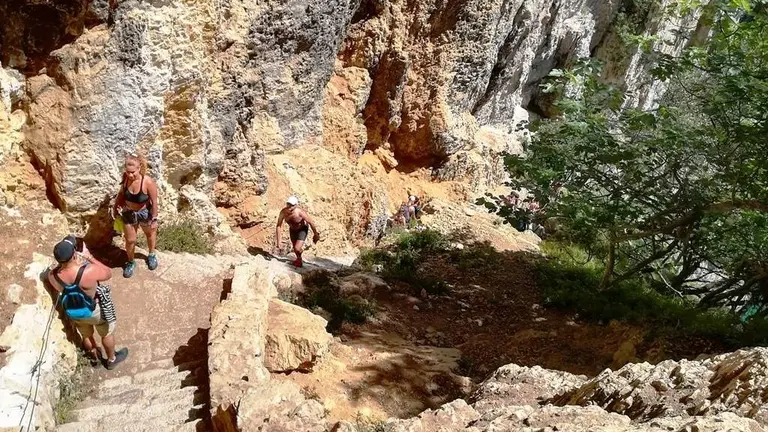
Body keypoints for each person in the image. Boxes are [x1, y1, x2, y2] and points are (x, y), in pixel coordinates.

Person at [48, 235, 128, 370]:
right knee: (106, 333)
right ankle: (111, 359)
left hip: (75, 311)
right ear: (74, 254)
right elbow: (108, 273)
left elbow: (62, 280)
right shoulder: (88, 271)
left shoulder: (52, 276)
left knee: (86, 335)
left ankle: (95, 358)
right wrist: (89, 257)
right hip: (94, 310)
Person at [112, 153, 159, 278]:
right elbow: (121, 194)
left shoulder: (147, 182)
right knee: (130, 240)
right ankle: (131, 261)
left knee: (149, 234)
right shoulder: (126, 179)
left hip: (144, 213)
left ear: (139, 168)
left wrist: (154, 218)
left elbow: (154, 202)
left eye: (133, 172)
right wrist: (115, 207)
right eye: (128, 172)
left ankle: (151, 255)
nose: (130, 175)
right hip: (129, 213)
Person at [275, 196, 321, 267]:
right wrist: (279, 241)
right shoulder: (283, 212)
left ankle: (299, 254)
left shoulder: (299, 212)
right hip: (292, 230)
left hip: (302, 229)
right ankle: (299, 260)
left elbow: (310, 222)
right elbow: (279, 225)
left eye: (292, 205)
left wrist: (315, 234)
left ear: (296, 205)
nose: (289, 206)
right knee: (295, 249)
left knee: (297, 248)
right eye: (288, 204)